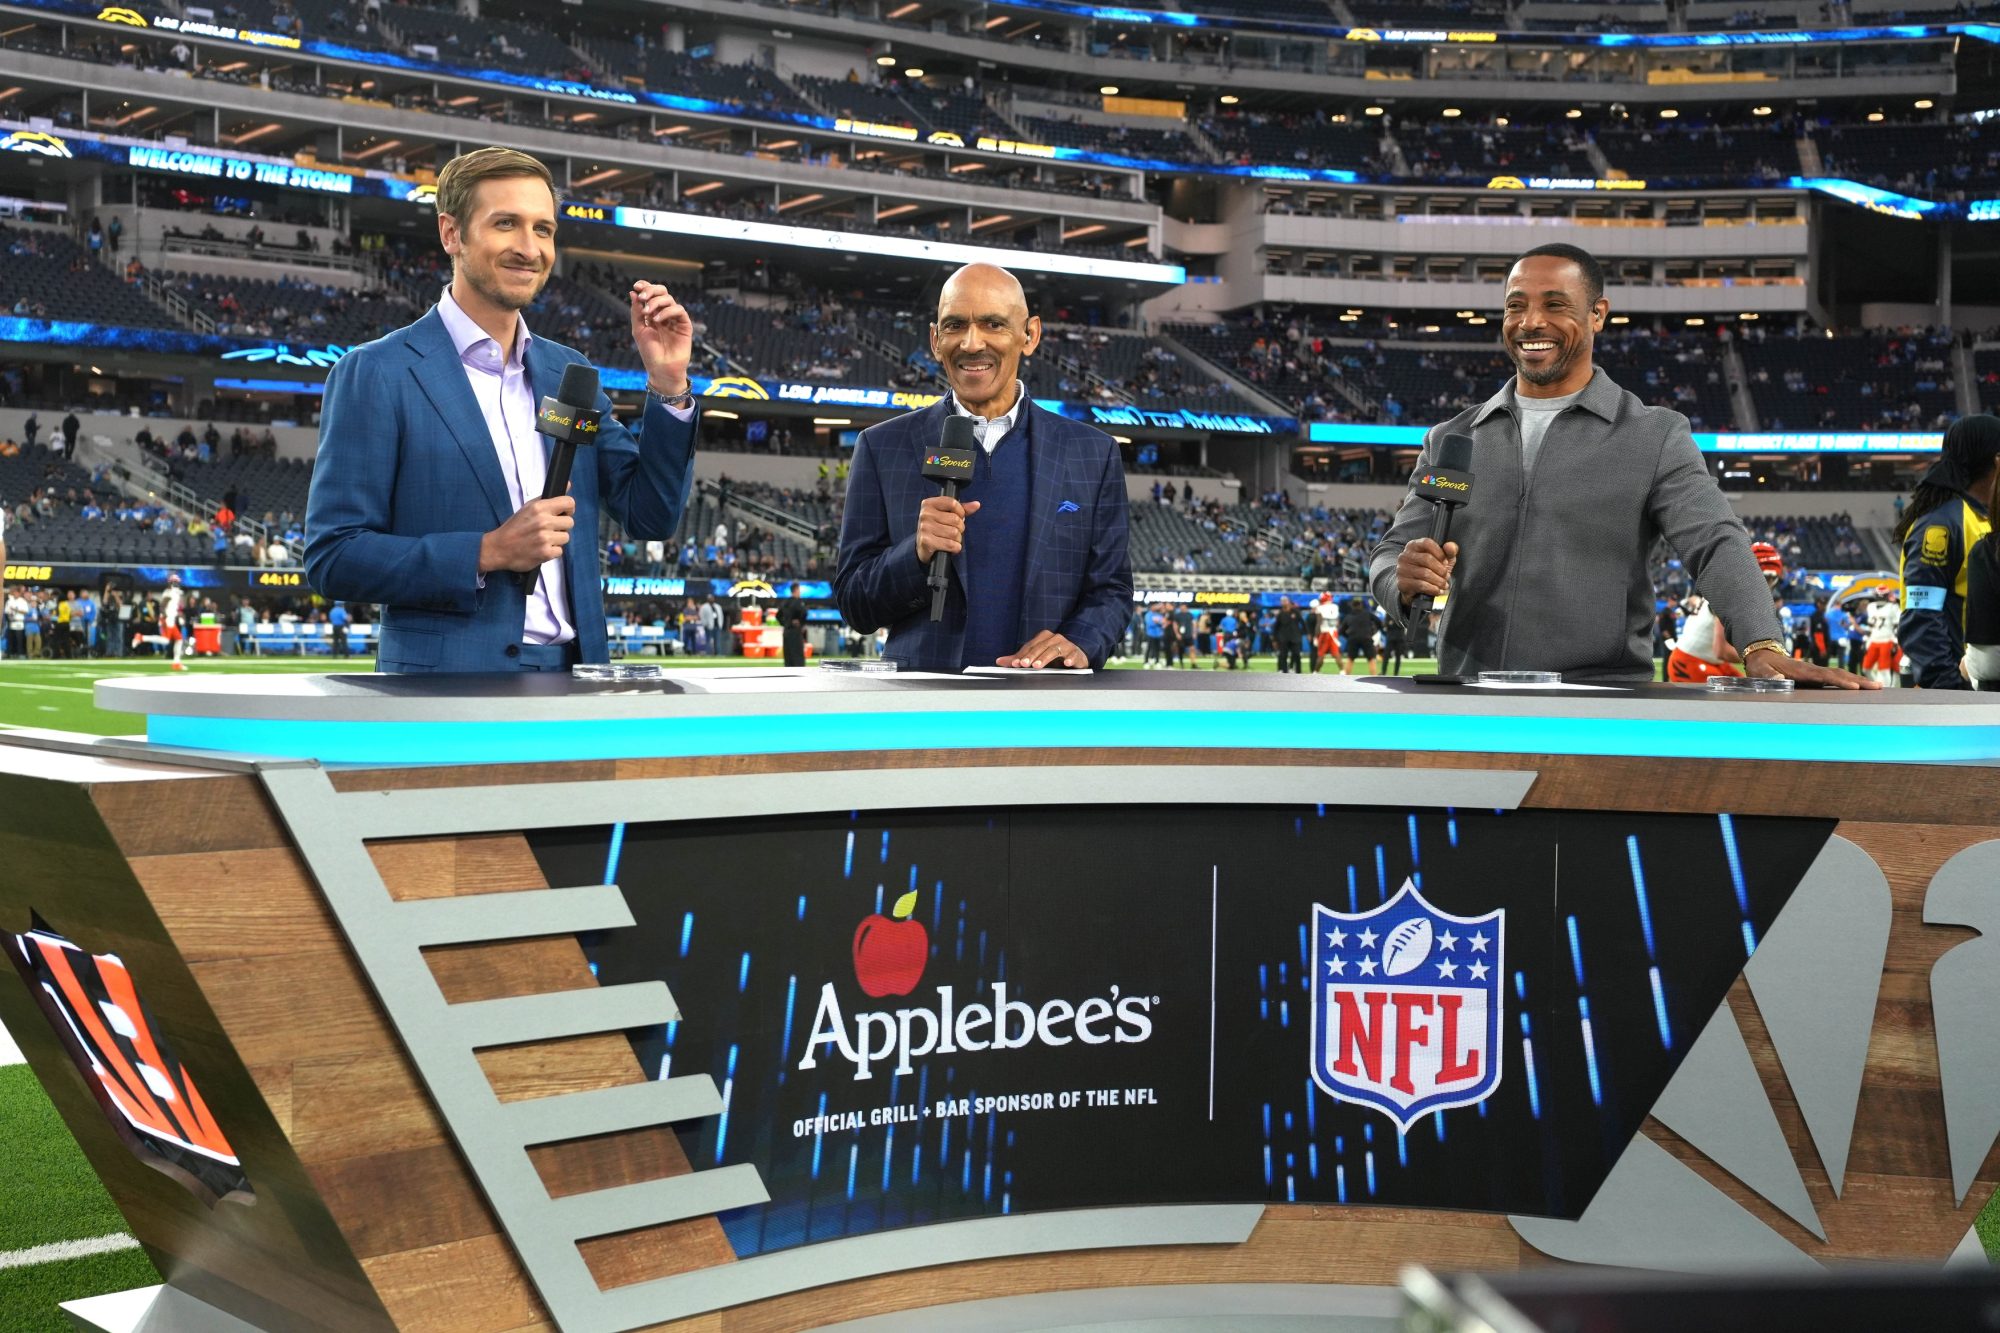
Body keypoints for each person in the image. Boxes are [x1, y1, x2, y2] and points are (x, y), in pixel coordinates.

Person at [1371, 243, 1870, 688]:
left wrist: (1762, 643)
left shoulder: (1653, 435)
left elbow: (1715, 541)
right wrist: (1402, 579)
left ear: (1597, 314)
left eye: (1555, 304)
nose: (1530, 322)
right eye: (1515, 306)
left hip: (1601, 704)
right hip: (1467, 699)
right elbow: (1391, 551)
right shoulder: (1453, 438)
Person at [304, 147, 700, 672]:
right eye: (506, 224)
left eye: (543, 229)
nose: (528, 248)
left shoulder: (568, 373)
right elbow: (335, 557)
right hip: (445, 695)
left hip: (578, 685)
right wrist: (486, 552)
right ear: (451, 234)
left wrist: (669, 383)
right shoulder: (377, 373)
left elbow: (649, 515)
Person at [835, 263, 1131, 671]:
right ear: (936, 340)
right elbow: (854, 603)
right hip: (923, 709)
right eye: (955, 325)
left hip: (1046, 704)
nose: (972, 344)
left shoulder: (1092, 453)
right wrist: (915, 555)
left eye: (993, 324)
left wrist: (1080, 640)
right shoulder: (881, 446)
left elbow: (1112, 591)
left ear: (1030, 335)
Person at [1892, 413, 1998, 690]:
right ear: (1995, 461)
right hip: (1965, 688)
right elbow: (1921, 612)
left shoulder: (1986, 517)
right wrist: (1946, 684)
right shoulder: (1941, 524)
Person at [778, 582, 808, 667]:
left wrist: (785, 623)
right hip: (795, 632)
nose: (800, 592)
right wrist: (801, 624)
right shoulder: (799, 602)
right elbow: (804, 613)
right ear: (796, 590)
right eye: (799, 590)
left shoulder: (785, 602)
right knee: (798, 657)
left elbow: (778, 615)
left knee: (788, 657)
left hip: (786, 632)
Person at [1272, 595, 1304, 674]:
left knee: (1296, 654)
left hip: (1295, 637)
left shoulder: (1295, 612)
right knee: (1283, 655)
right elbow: (1276, 627)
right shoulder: (1280, 614)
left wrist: (1303, 633)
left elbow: (1303, 623)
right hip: (1283, 638)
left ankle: (1298, 671)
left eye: (1285, 601)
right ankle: (1284, 671)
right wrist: (1275, 639)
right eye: (1282, 601)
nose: (1284, 603)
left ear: (1288, 602)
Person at [161, 573, 187, 671]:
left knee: (178, 639)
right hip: (168, 619)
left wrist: (180, 616)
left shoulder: (176, 593)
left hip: (173, 618)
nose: (177, 584)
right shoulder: (168, 592)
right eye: (175, 582)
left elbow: (180, 607)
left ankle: (176, 662)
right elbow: (163, 605)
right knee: (168, 640)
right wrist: (164, 617)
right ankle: (141, 638)